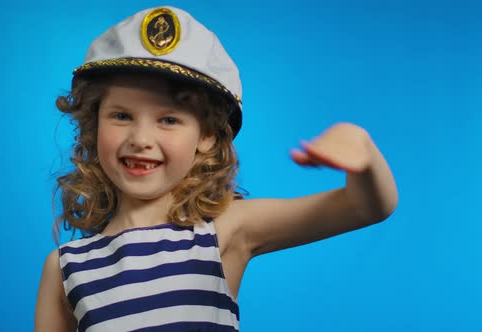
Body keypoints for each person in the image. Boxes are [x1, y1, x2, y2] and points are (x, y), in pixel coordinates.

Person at [34, 6, 398, 332]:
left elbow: (367, 207)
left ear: (206, 135)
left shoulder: (224, 232)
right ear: (94, 124)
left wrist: (361, 148)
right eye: (122, 115)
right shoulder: (65, 268)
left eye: (169, 119)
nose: (141, 138)